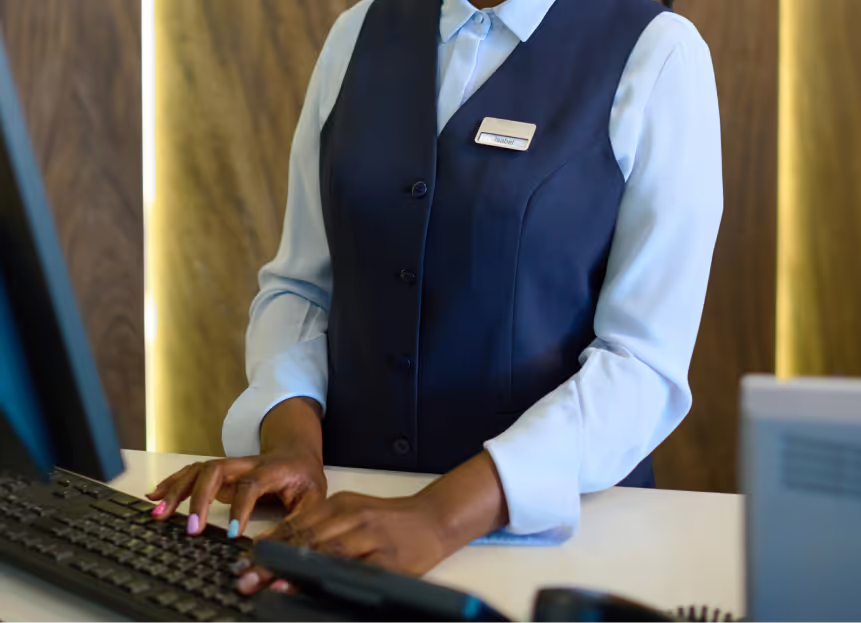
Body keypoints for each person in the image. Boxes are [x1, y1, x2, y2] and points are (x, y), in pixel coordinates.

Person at [147, 0, 722, 593]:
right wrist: (292, 443)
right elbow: (302, 286)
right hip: (334, 524)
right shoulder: (357, 32)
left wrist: (439, 515)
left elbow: (642, 363)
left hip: (552, 555)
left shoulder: (659, 54)